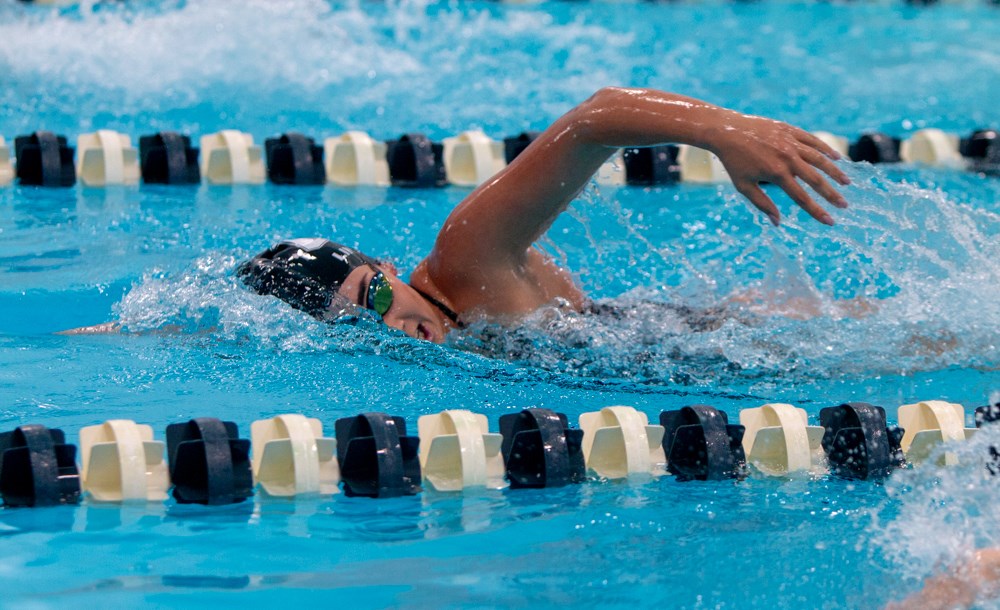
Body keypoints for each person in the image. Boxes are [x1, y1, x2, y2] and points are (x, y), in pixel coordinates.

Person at [70, 87, 851, 340]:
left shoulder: (466, 259)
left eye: (375, 296)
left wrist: (725, 132)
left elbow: (599, 115)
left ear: (383, 270)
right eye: (356, 322)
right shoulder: (449, 337)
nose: (389, 325)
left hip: (733, 336)